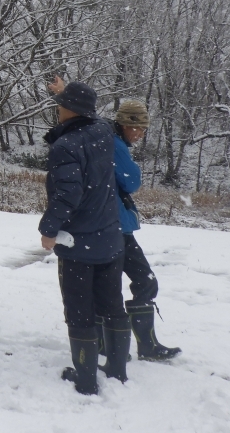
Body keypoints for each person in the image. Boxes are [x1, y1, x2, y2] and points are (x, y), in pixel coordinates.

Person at [39, 80, 129, 396]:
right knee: (112, 305)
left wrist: (48, 230)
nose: (57, 107)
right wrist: (68, 90)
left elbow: (67, 194)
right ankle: (117, 369)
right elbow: (86, 112)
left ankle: (86, 378)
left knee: (79, 311)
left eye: (61, 103)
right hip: (109, 238)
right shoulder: (103, 131)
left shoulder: (66, 147)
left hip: (78, 244)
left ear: (69, 109)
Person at [109, 99, 181, 361]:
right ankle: (143, 346)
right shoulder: (115, 145)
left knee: (126, 283)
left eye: (143, 129)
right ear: (125, 124)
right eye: (137, 128)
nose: (140, 134)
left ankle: (123, 344)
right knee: (143, 280)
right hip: (116, 227)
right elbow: (131, 181)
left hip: (113, 225)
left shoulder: (112, 141)